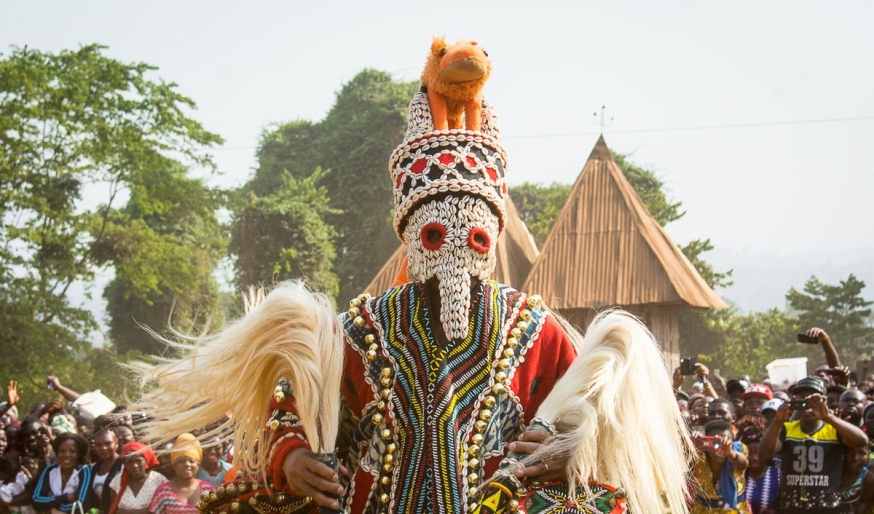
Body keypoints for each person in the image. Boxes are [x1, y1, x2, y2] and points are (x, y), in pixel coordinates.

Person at [132, 50, 693, 514]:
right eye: (433, 235)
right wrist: (292, 456)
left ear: (491, 239)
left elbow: (595, 417)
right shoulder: (360, 331)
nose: (454, 250)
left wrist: (571, 448)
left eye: (473, 237)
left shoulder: (538, 332)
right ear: (409, 237)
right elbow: (291, 405)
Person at [758, 376, 869, 512]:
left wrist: (828, 417)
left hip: (828, 509)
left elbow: (862, 441)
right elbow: (763, 454)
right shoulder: (787, 428)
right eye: (801, 399)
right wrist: (778, 421)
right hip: (791, 509)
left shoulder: (834, 429)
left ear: (823, 401)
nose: (806, 404)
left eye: (812, 400)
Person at [690, 419, 750, 513]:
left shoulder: (738, 450)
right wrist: (691, 444)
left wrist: (730, 453)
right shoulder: (699, 456)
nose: (721, 448)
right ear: (706, 441)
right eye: (716, 443)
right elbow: (684, 463)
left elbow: (743, 463)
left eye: (725, 443)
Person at [147, 435, 211, 514]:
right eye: (181, 461)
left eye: (191, 461)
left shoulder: (207, 490)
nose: (187, 464)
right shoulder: (163, 491)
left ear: (198, 464)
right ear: (173, 465)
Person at [31, 433, 91, 513]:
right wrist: (66, 498)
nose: (66, 455)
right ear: (57, 453)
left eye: (72, 451)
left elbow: (80, 505)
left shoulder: (84, 471)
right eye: (62, 451)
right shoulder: (50, 470)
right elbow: (36, 501)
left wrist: (53, 509)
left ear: (79, 454)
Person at [107, 442, 168, 514]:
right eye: (129, 462)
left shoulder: (159, 480)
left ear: (146, 460)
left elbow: (165, 508)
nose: (134, 465)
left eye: (138, 460)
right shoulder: (117, 481)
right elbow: (113, 509)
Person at [739, 417, 780, 514]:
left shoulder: (778, 472)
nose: (754, 457)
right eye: (749, 453)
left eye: (758, 452)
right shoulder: (737, 473)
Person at [90, 430, 123, 513]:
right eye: (98, 445)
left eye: (108, 443)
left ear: (116, 443)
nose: (103, 448)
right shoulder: (94, 467)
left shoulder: (124, 466)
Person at [840, 446, 874, 512]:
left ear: (868, 454)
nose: (855, 458)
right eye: (851, 452)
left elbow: (863, 507)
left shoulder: (868, 479)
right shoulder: (832, 471)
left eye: (861, 453)